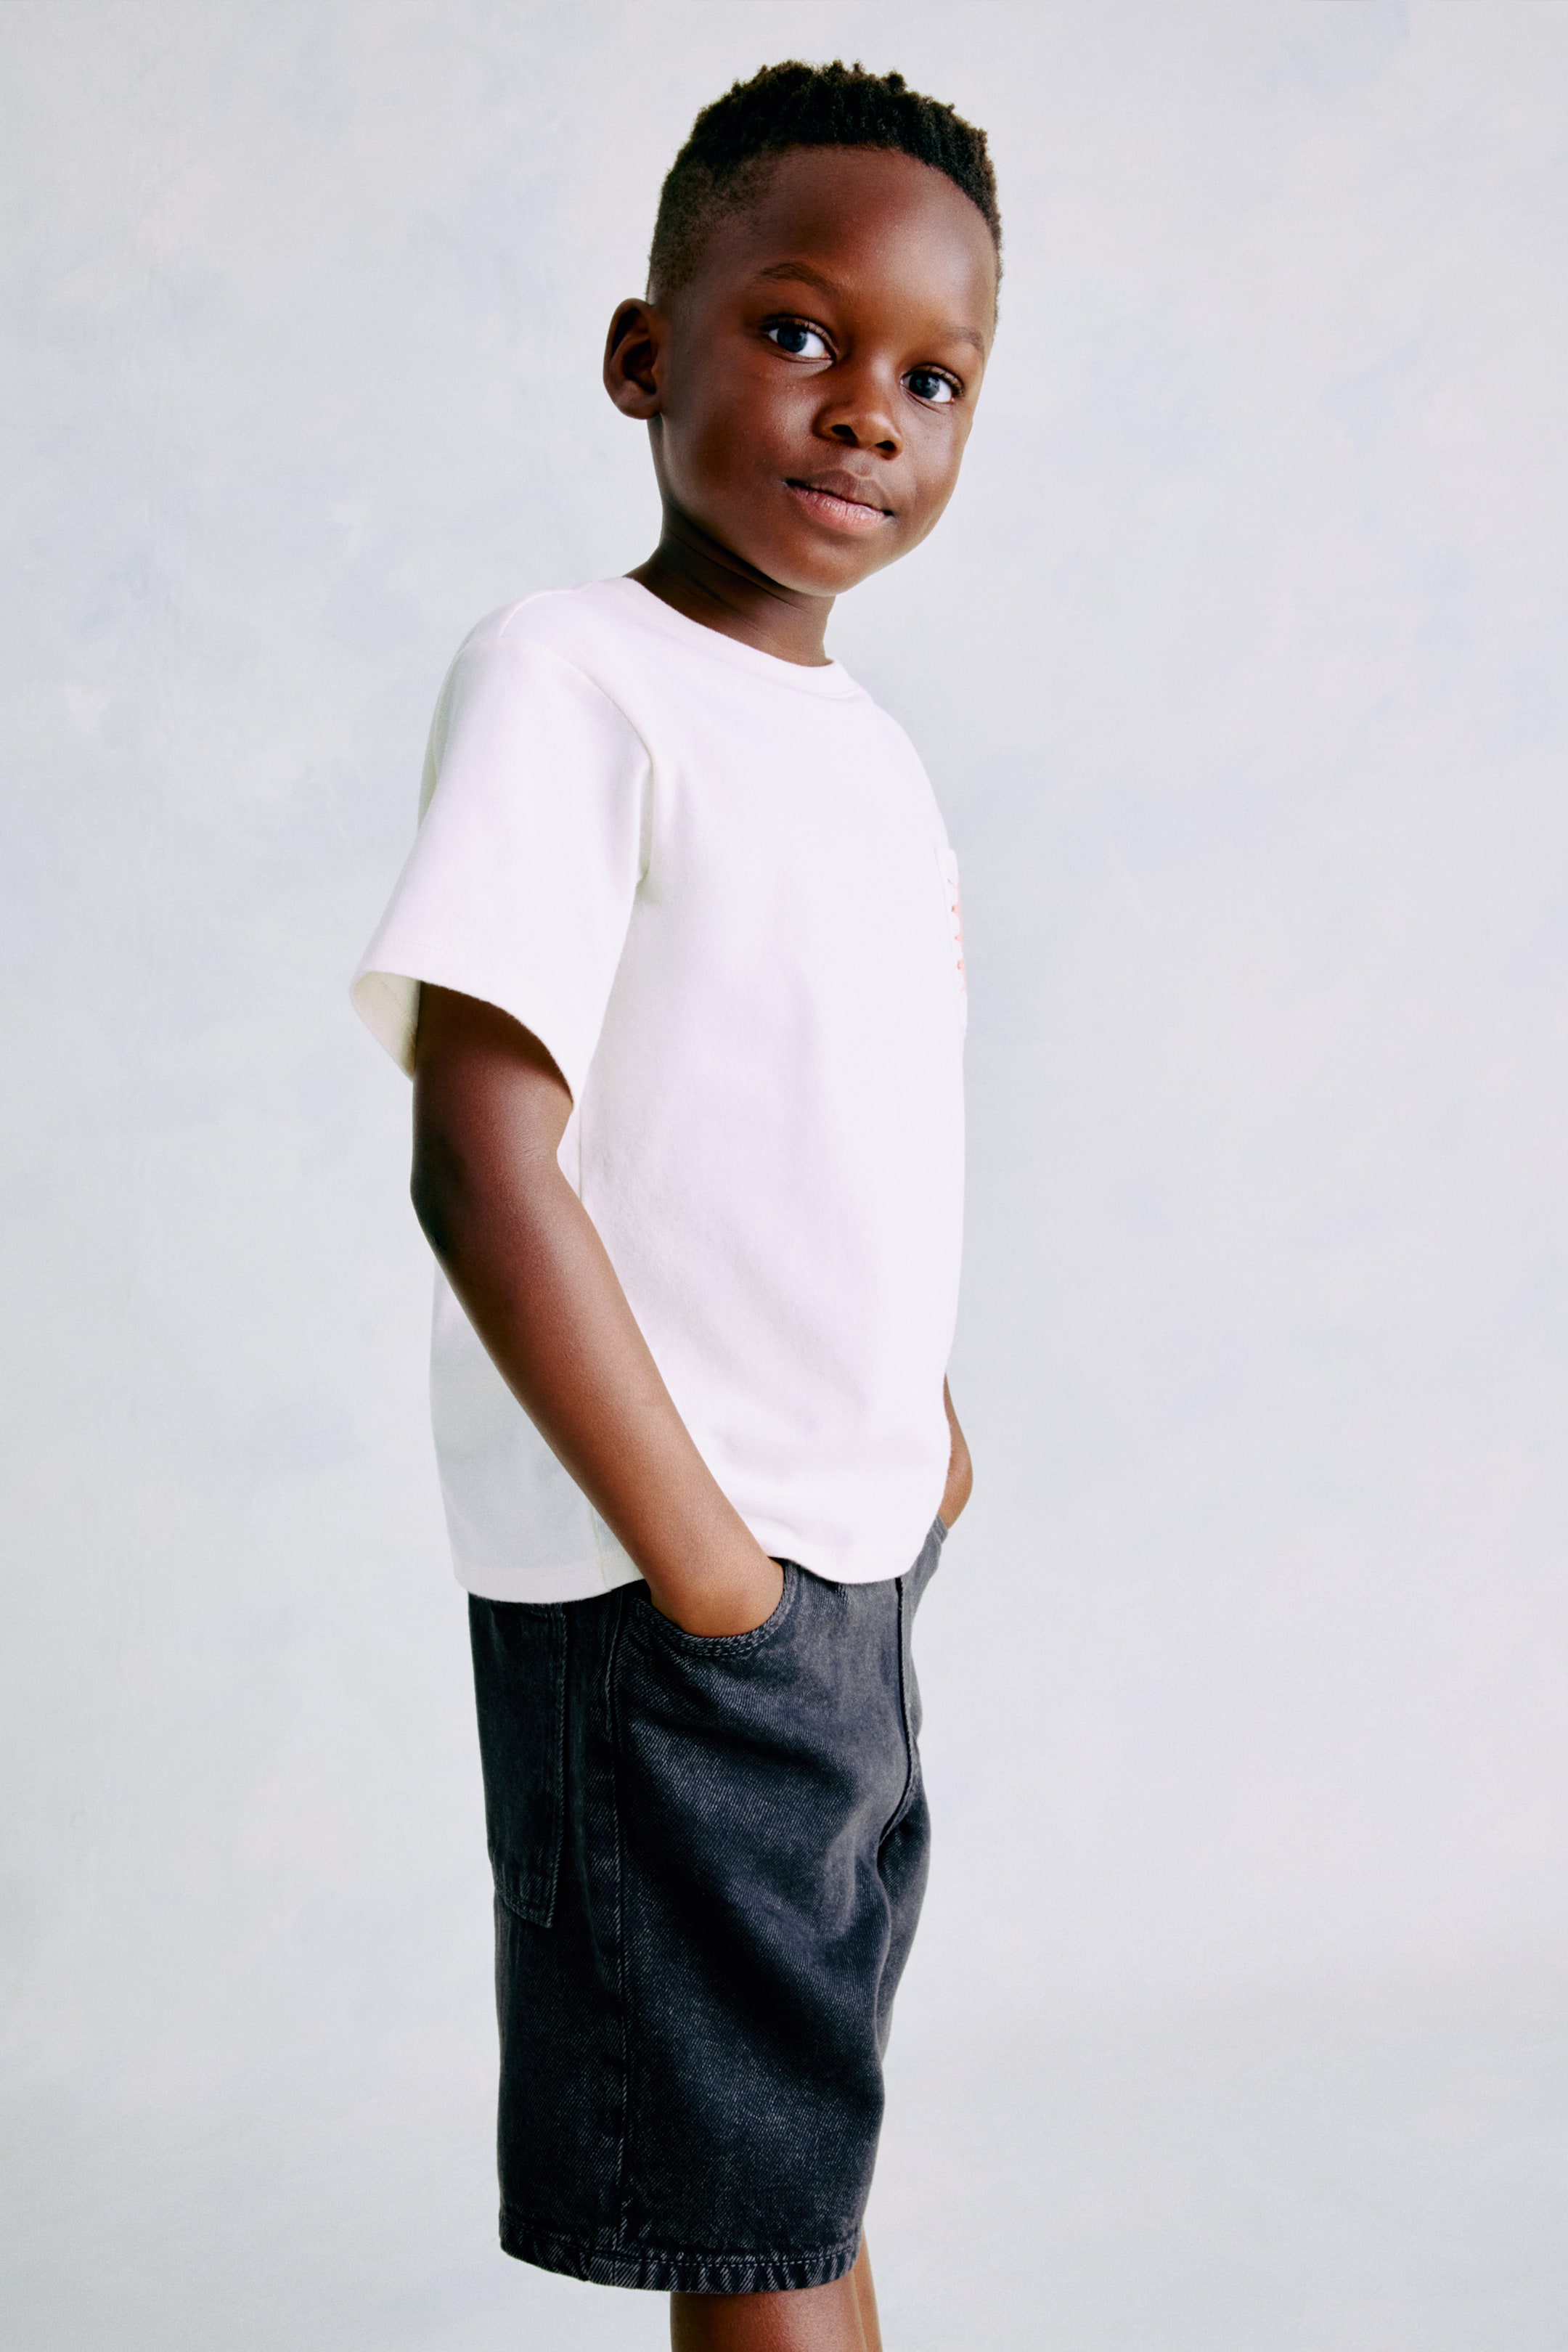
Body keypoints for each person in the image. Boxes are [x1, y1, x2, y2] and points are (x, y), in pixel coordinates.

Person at [351, 58, 998, 2352]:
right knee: (753, 2208)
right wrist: (706, 1560)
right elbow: (480, 1146)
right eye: (798, 332)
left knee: (789, 2167)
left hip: (846, 1562)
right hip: (675, 1585)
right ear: (647, 354)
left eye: (933, 376)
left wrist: (919, 1432)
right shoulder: (572, 675)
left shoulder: (868, 753)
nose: (864, 410)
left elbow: (807, 1120)